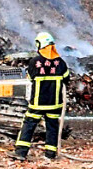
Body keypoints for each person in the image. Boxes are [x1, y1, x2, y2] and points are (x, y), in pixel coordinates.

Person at [13, 32, 71, 161]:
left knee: (29, 124)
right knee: (52, 127)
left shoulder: (35, 62)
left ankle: (21, 153)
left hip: (38, 102)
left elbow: (29, 77)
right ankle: (50, 155)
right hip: (55, 103)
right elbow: (67, 79)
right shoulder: (60, 63)